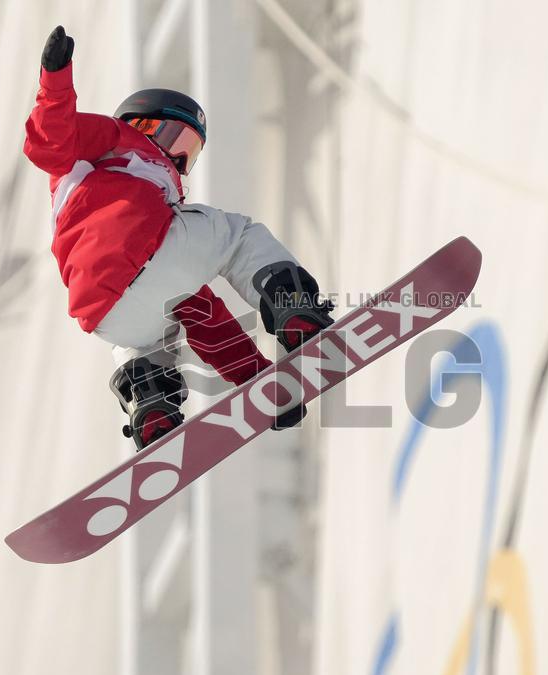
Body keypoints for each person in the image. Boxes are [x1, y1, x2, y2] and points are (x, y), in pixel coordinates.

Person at [23, 26, 334, 450]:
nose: (177, 158)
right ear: (140, 125)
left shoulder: (78, 191)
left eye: (188, 151)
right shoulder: (116, 141)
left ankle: (152, 400)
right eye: (172, 137)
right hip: (143, 239)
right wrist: (54, 79)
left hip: (103, 311)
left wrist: (261, 381)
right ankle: (290, 306)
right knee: (239, 237)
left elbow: (211, 324)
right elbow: (50, 142)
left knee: (161, 327)